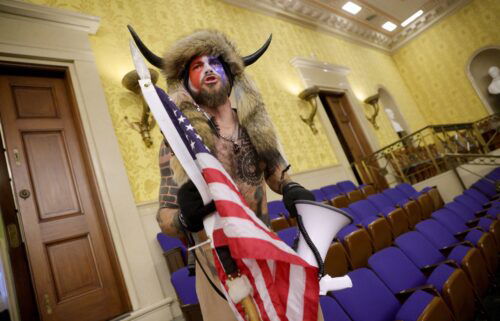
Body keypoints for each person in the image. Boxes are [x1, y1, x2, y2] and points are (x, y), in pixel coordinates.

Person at [129, 28, 320, 321]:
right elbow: (164, 216)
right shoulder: (179, 143)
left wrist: (292, 188)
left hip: (264, 247)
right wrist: (183, 219)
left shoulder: (256, 128)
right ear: (186, 81)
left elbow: (278, 176)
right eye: (197, 65)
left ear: (230, 74)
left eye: (214, 62)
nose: (207, 69)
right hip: (217, 264)